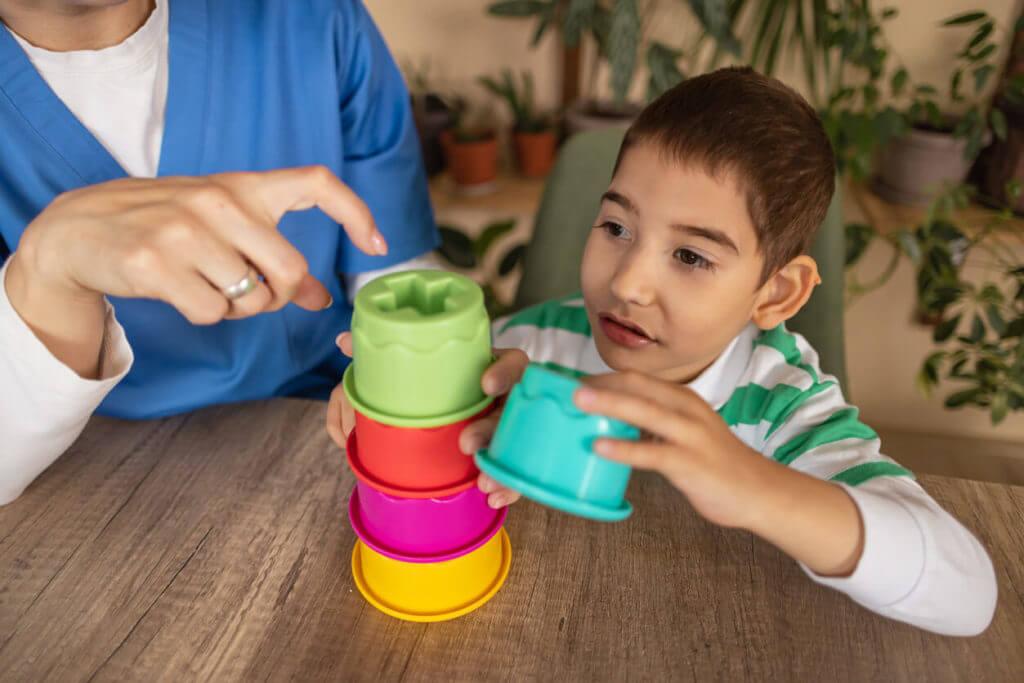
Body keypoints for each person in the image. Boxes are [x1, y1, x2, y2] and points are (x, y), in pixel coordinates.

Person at [331, 67, 997, 636]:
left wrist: (755, 483)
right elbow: (429, 453)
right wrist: (395, 405)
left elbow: (971, 594)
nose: (626, 283)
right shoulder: (534, 346)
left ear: (776, 292)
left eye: (690, 255)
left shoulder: (782, 406)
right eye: (616, 226)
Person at [0, 0, 526, 505]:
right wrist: (47, 267)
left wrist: (452, 395)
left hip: (324, 435)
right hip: (69, 481)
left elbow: (393, 278)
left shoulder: (312, 18)